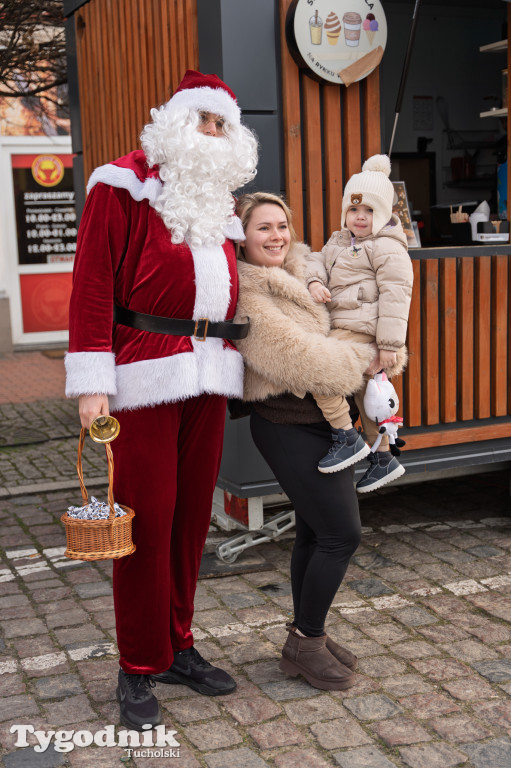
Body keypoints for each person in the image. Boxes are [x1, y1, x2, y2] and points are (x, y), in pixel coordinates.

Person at [65, 70, 258, 730]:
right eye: (201, 120)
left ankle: (178, 643)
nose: (210, 133)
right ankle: (139, 663)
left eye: (220, 124)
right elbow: (91, 283)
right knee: (145, 525)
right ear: (174, 123)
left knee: (188, 523)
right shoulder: (122, 182)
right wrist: (93, 383)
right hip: (143, 374)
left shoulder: (220, 201)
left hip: (208, 375)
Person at [233, 192, 374, 691]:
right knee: (342, 534)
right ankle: (305, 642)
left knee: (316, 531)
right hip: (287, 424)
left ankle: (304, 632)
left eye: (282, 226)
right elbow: (300, 356)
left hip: (327, 420)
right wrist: (363, 358)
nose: (276, 237)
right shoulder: (247, 292)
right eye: (263, 229)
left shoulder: (302, 271)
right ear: (242, 235)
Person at [306, 155, 414, 492]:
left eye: (369, 211)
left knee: (317, 368)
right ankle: (383, 457)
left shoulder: (386, 247)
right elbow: (316, 262)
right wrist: (313, 282)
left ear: (382, 215)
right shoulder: (339, 241)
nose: (360, 217)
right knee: (369, 392)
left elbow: (397, 294)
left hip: (363, 329)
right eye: (354, 211)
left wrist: (389, 345)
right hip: (342, 325)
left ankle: (344, 433)